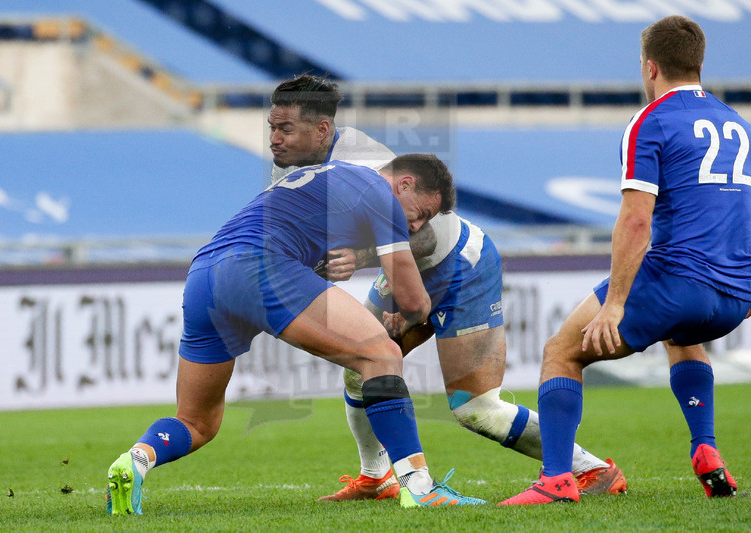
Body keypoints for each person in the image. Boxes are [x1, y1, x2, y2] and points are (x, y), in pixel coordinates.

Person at [266, 74, 627, 501]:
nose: (274, 139)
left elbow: (424, 237)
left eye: (285, 129)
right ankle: (377, 475)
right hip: (406, 271)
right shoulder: (287, 165)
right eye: (272, 127)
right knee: (362, 368)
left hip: (460, 266)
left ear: (321, 130)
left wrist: (358, 259)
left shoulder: (366, 164)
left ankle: (593, 470)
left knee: (475, 409)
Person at [105, 153, 486, 515]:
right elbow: (415, 301)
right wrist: (409, 317)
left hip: (205, 274)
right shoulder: (378, 192)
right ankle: (418, 487)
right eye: (421, 214)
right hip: (258, 264)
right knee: (381, 354)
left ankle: (136, 460)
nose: (417, 226)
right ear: (404, 184)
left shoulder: (333, 177)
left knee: (197, 422)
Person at [500, 15, 751, 506]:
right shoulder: (743, 128)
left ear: (650, 67)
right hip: (732, 297)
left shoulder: (651, 121)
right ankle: (705, 448)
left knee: (562, 351)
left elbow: (636, 222)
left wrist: (615, 303)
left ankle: (555, 480)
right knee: (683, 338)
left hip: (677, 280)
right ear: (700, 64)